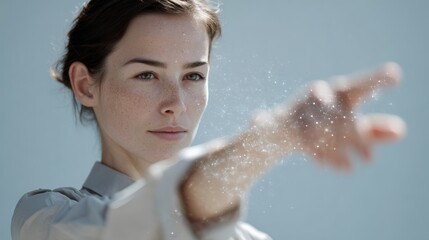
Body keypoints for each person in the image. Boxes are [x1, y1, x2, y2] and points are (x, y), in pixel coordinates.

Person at [11, 0, 406, 239]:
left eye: (193, 76)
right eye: (146, 74)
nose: (175, 103)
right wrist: (278, 134)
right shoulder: (45, 220)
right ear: (85, 85)